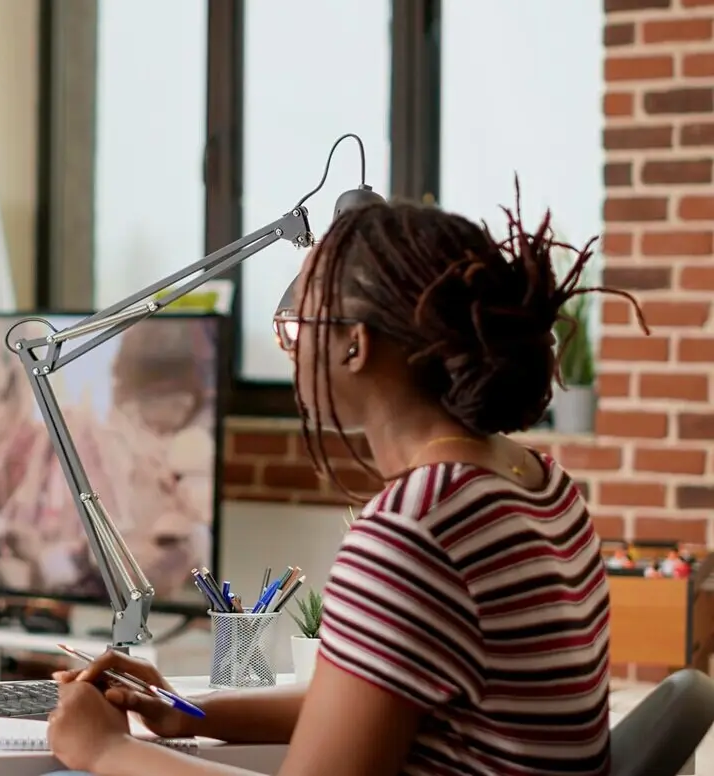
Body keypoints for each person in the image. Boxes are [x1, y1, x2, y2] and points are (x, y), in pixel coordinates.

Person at [42, 189, 648, 775]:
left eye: (298, 326)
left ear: (355, 345)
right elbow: (372, 703)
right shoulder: (540, 483)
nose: (290, 349)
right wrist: (183, 712)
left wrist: (104, 751)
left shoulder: (416, 528)